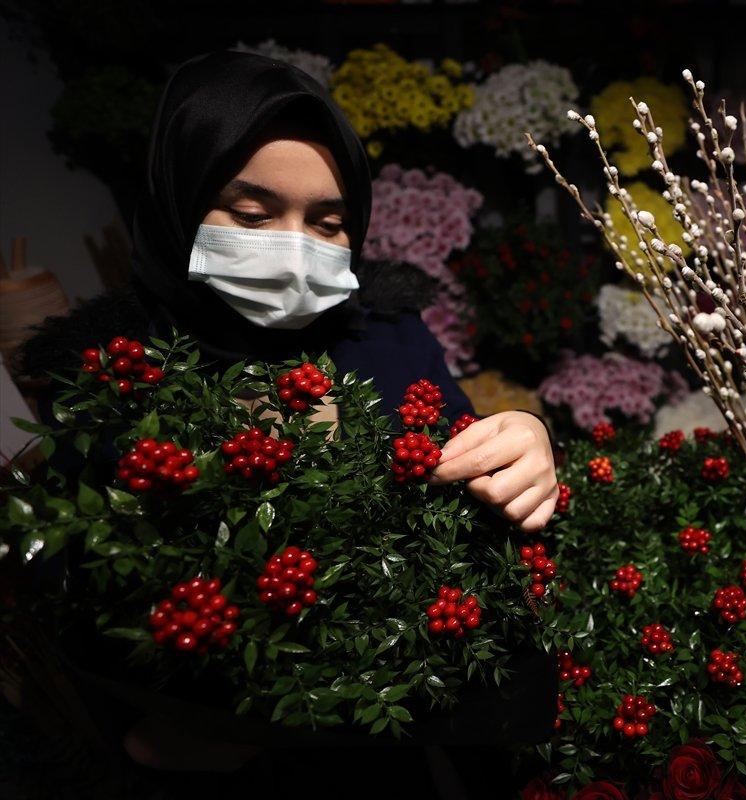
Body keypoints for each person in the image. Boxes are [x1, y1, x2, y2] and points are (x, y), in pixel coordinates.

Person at [18, 51, 558, 798]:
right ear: (179, 202)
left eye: (330, 223)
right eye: (252, 216)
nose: (295, 248)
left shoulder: (389, 338)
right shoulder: (114, 378)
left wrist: (525, 440)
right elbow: (82, 596)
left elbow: (472, 477)